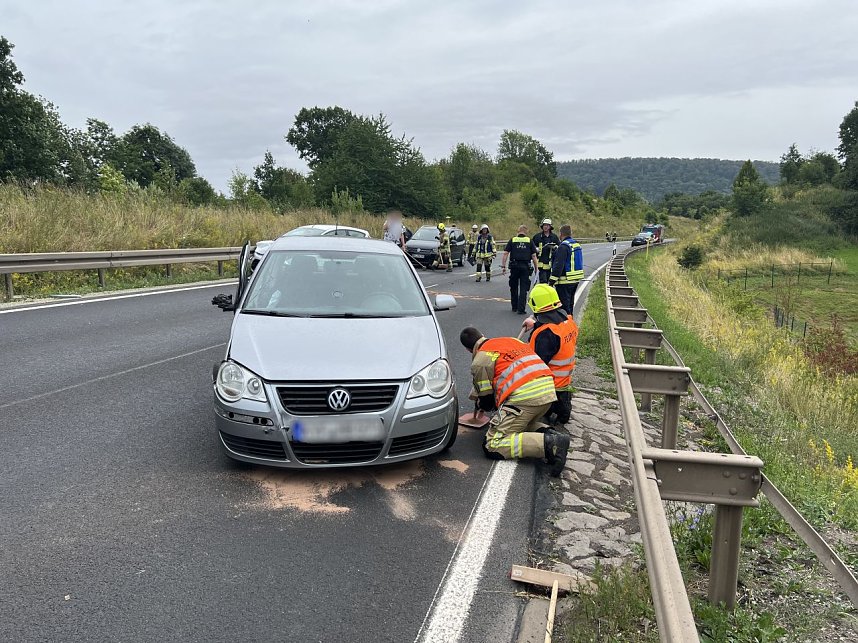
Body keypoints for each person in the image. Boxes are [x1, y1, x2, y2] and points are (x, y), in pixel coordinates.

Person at [460, 327, 570, 475]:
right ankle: (551, 434)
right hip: (548, 391)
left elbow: (487, 402)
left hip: (525, 398)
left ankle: (551, 445)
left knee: (492, 444)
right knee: (520, 425)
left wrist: (480, 403)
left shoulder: (480, 361)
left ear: (468, 350)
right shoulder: (511, 340)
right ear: (483, 335)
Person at [522, 284, 579, 427]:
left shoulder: (546, 335)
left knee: (546, 412)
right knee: (562, 405)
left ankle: (551, 413)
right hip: (564, 380)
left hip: (548, 384)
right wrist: (535, 325)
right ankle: (562, 411)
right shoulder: (568, 322)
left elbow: (537, 363)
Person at [501, 225, 539, 314]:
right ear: (526, 232)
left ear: (518, 231)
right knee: (523, 288)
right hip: (525, 267)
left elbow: (506, 253)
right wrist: (536, 268)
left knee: (513, 287)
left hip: (514, 267)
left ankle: (514, 306)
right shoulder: (529, 241)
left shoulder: (513, 240)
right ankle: (521, 309)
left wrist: (503, 266)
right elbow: (534, 256)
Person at [549, 225, 584, 315]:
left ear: (561, 234)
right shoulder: (576, 244)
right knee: (570, 305)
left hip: (565, 282)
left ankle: (567, 327)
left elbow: (558, 265)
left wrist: (551, 281)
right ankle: (571, 325)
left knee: (564, 308)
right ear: (570, 233)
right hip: (575, 280)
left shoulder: (564, 246)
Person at [534, 218, 560, 284]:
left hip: (550, 264)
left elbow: (559, 247)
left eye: (547, 225)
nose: (545, 227)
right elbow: (531, 247)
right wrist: (535, 249)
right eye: (544, 225)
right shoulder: (537, 237)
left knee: (550, 282)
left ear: (550, 227)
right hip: (541, 263)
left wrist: (555, 247)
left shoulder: (554, 237)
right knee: (543, 281)